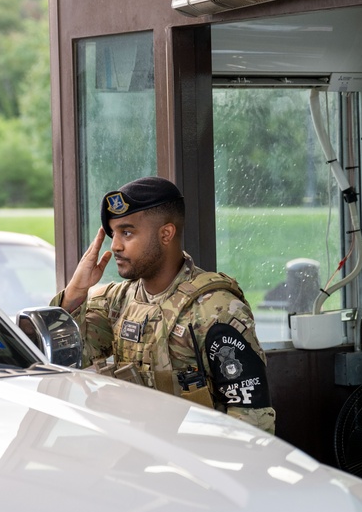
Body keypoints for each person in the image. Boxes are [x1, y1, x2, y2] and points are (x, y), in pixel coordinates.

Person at [52, 176, 276, 434]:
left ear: (166, 234)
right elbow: (67, 359)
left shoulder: (215, 309)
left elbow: (253, 424)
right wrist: (75, 293)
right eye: (113, 233)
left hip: (198, 464)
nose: (115, 246)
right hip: (137, 457)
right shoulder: (118, 301)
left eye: (127, 232)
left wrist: (152, 414)